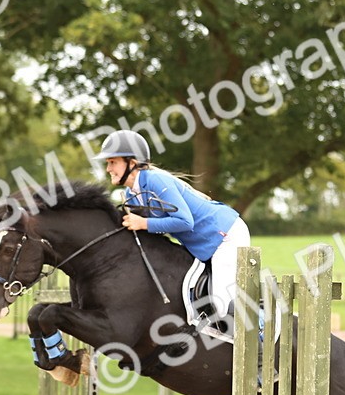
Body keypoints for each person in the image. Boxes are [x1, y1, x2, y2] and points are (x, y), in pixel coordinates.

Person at [94, 130, 250, 322]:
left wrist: (143, 223)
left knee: (221, 303)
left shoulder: (155, 180)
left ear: (132, 163)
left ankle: (259, 333)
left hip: (225, 234)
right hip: (200, 244)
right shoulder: (130, 194)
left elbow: (185, 222)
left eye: (112, 162)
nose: (108, 168)